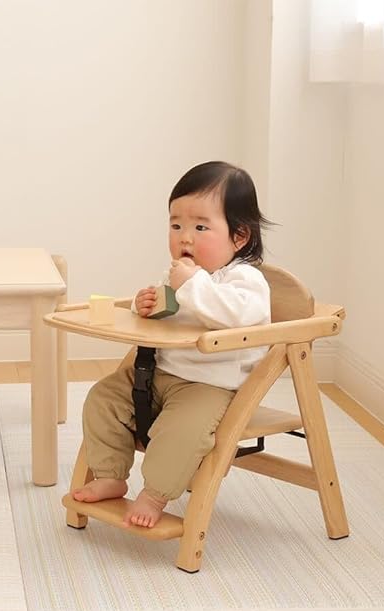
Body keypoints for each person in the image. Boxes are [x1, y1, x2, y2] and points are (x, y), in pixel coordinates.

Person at [72, 161, 272, 528]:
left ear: (239, 237)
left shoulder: (244, 280)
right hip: (156, 373)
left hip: (208, 386)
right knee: (101, 399)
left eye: (200, 227)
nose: (184, 238)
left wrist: (191, 284)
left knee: (181, 432)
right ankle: (109, 475)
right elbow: (163, 316)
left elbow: (234, 316)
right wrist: (144, 306)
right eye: (176, 225)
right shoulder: (178, 275)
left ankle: (155, 494)